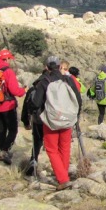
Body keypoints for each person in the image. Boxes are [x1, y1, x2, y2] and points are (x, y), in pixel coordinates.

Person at [32, 56, 82, 191]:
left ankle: (63, 179)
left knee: (51, 149)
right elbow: (78, 98)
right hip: (67, 119)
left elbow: (36, 103)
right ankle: (63, 175)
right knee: (65, 147)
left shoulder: (44, 81)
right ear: (60, 66)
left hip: (51, 120)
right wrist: (76, 116)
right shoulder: (68, 79)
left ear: (47, 67)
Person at [0, 49, 26, 165]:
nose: (10, 61)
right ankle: (4, 151)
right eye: (9, 59)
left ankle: (2, 150)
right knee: (13, 130)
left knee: (2, 129)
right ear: (7, 59)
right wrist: (24, 90)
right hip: (7, 106)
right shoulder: (8, 71)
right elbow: (14, 91)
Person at [21, 70, 46, 178]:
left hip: (37, 120)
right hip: (52, 121)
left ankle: (33, 160)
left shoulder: (33, 89)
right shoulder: (53, 87)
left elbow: (25, 107)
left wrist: (26, 121)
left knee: (37, 141)